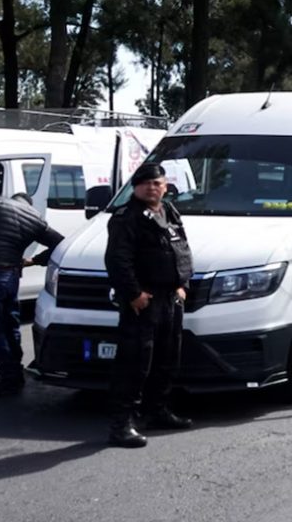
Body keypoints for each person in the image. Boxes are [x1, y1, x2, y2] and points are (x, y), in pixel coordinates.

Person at [105, 163, 194, 448]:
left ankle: (157, 411)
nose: (152, 188)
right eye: (145, 184)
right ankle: (122, 424)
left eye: (157, 183)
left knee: (167, 359)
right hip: (144, 301)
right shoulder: (126, 218)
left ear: (165, 185)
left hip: (171, 297)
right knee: (135, 363)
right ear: (136, 187)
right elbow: (118, 261)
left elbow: (181, 250)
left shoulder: (169, 211)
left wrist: (183, 285)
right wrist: (133, 294)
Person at [0, 192, 65, 397]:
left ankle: (9, 376)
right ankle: (13, 370)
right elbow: (61, 244)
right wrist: (34, 260)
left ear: (13, 199)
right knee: (9, 323)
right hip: (10, 276)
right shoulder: (36, 219)